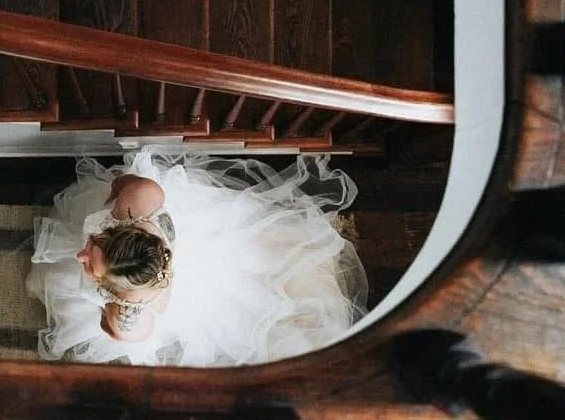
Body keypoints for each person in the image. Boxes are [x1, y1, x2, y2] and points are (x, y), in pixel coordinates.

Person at [26, 149, 368, 366]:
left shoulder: (130, 311)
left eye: (91, 266)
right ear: (122, 226)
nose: (79, 254)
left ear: (117, 292)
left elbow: (114, 334)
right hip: (191, 237)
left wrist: (112, 308)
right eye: (95, 244)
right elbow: (119, 184)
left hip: (181, 296)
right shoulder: (142, 197)